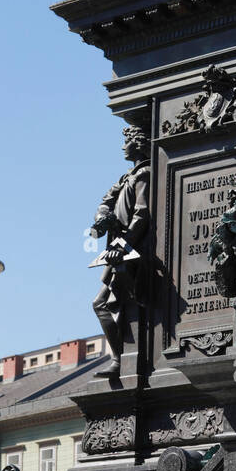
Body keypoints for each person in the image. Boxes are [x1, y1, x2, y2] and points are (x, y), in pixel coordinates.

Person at [88, 126, 151, 378]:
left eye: (127, 141)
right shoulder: (128, 176)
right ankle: (120, 359)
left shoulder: (144, 173)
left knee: (104, 303)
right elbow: (105, 200)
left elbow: (142, 213)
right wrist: (102, 215)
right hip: (119, 249)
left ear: (137, 144)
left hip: (129, 252)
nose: (123, 146)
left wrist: (122, 245)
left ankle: (121, 360)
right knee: (105, 303)